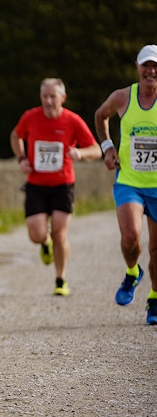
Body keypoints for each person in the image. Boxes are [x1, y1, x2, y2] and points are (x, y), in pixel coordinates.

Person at [10, 78, 102, 296]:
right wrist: (21, 158)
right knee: (36, 234)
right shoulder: (30, 117)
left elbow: (96, 150)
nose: (48, 101)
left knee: (60, 231)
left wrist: (80, 153)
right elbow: (16, 136)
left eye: (53, 96)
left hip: (63, 184)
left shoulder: (73, 120)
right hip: (36, 184)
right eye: (44, 96)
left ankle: (60, 280)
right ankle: (45, 241)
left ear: (63, 98)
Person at [94, 44, 157, 325]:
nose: (151, 71)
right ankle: (133, 272)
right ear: (137, 67)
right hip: (129, 181)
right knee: (131, 237)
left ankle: (154, 298)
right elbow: (100, 115)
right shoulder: (123, 97)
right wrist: (107, 147)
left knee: (156, 251)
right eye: (146, 65)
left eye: (155, 66)